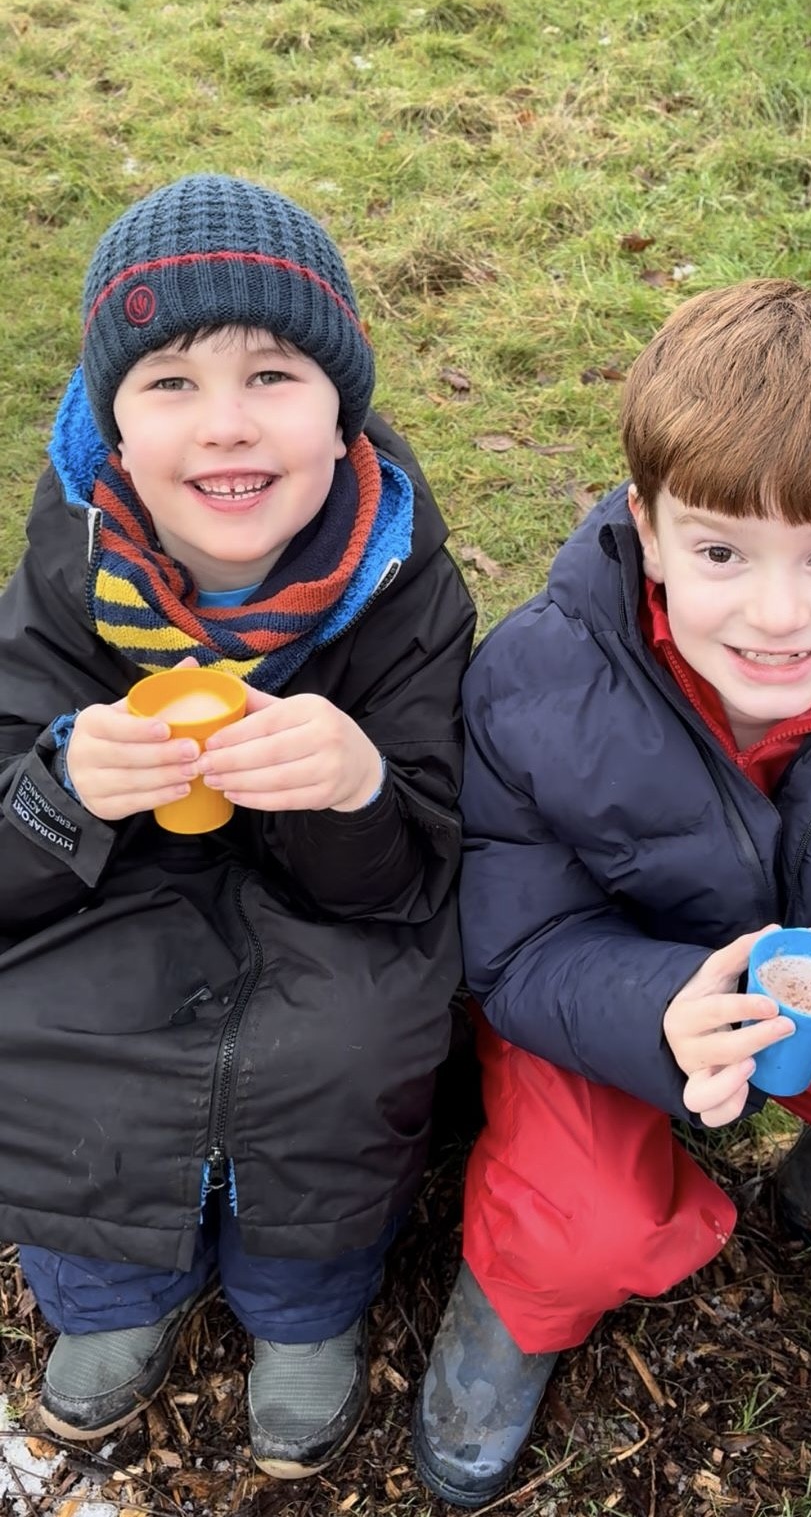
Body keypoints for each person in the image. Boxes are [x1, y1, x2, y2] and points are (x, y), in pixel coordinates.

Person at [411, 279, 811, 1508]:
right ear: (647, 529)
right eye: (720, 551)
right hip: (612, 1003)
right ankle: (523, 1297)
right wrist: (659, 1007)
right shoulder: (536, 689)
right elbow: (521, 946)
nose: (777, 614)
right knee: (575, 1226)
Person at [0, 173, 475, 1477]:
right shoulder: (62, 581)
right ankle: (110, 1291)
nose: (225, 426)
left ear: (340, 408)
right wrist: (57, 789)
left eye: (273, 375)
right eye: (170, 382)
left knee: (354, 1045)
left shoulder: (406, 588)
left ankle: (303, 1305)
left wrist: (356, 788)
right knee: (48, 1026)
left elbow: (420, 868)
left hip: (328, 917)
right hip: (107, 910)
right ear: (112, 424)